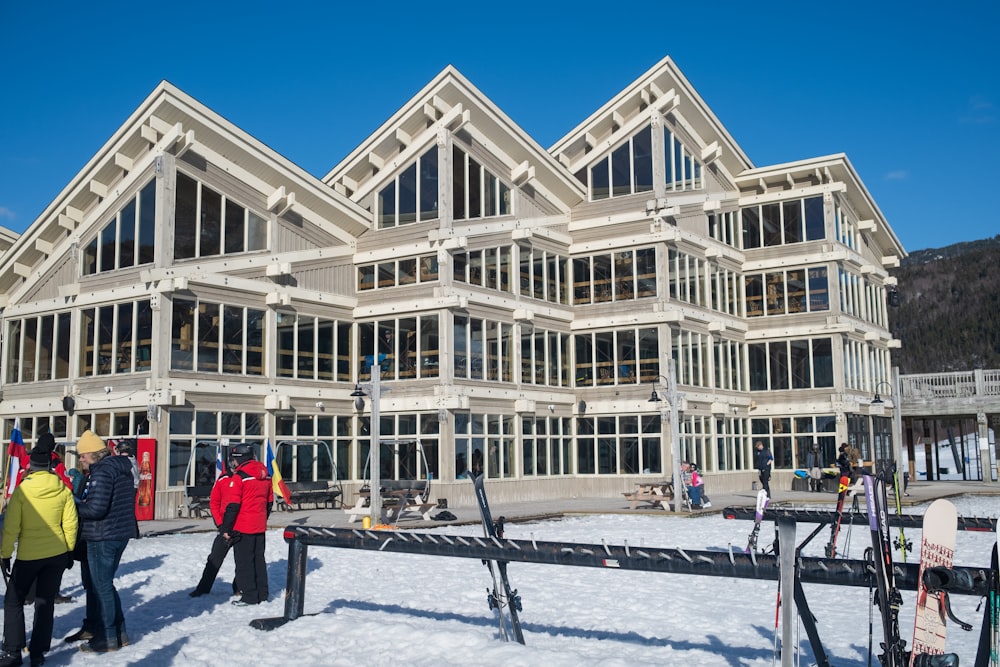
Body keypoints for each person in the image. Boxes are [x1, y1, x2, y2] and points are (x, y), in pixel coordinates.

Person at [0, 435, 78, 667]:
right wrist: (69, 551)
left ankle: (13, 652)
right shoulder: (62, 490)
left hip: (29, 555)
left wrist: (4, 554)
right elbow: (71, 524)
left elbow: (11, 527)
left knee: (14, 600)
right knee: (45, 603)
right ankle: (38, 652)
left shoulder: (23, 492)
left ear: (31, 466)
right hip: (55, 555)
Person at [73, 430, 139, 654]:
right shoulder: (119, 468)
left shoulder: (101, 472)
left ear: (92, 454)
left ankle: (106, 637)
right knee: (106, 586)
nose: (80, 459)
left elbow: (95, 508)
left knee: (101, 587)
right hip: (118, 532)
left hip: (103, 535)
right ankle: (120, 634)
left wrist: (71, 504)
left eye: (82, 455)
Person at [220, 444, 272, 606]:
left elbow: (232, 505)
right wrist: (262, 519)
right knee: (258, 560)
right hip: (259, 525)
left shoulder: (239, 477)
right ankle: (262, 594)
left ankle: (249, 596)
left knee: (244, 562)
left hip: (242, 526)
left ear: (239, 459)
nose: (233, 463)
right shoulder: (266, 476)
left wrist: (226, 528)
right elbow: (269, 503)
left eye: (234, 460)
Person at [189, 459, 238, 598]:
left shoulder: (244, 478)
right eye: (233, 465)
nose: (235, 467)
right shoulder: (223, 479)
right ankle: (203, 588)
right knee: (214, 559)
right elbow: (214, 501)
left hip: (240, 525)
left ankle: (238, 588)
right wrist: (220, 523)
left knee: (241, 561)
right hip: (225, 525)